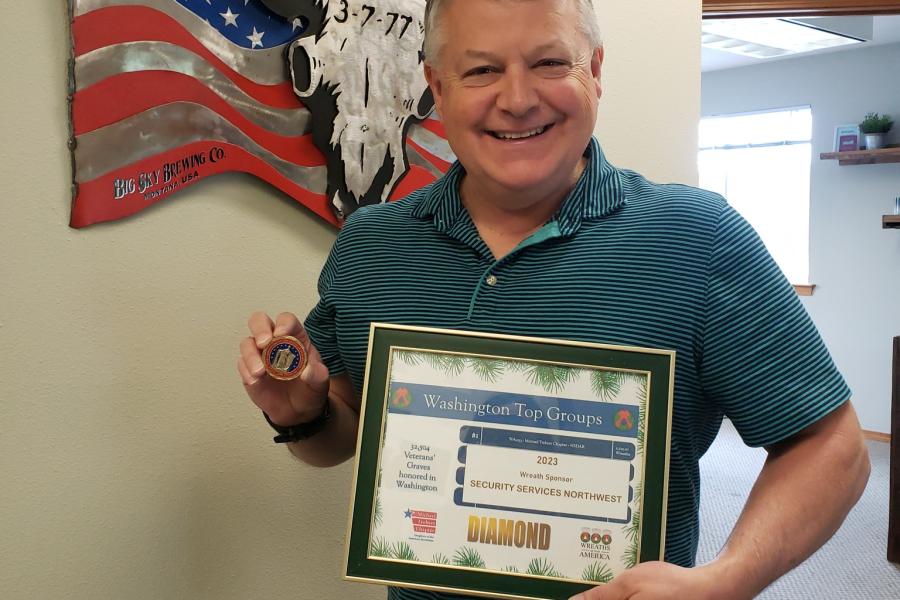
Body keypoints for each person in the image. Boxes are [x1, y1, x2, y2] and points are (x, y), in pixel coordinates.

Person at [237, 0, 871, 598]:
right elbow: (339, 438)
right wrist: (303, 415)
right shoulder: (372, 246)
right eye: (482, 69)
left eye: (549, 63)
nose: (517, 100)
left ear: (594, 70)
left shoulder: (699, 238)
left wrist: (728, 578)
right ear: (437, 84)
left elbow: (831, 448)